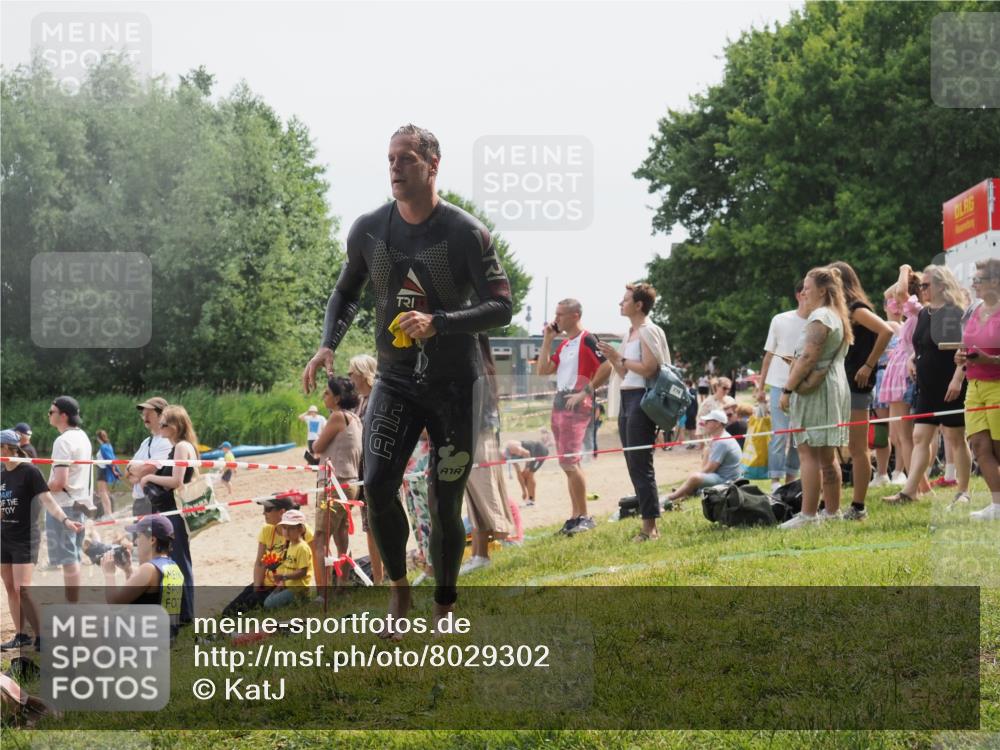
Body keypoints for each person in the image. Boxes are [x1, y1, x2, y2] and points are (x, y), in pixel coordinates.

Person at [301, 124, 512, 633]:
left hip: (457, 385)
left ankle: (444, 605)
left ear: (433, 166)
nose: (395, 168)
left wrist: (440, 322)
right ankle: (399, 594)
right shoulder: (369, 230)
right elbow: (345, 292)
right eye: (391, 159)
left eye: (407, 159)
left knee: (445, 499)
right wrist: (328, 342)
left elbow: (502, 306)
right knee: (375, 485)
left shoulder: (465, 232)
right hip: (395, 381)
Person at [885, 265, 972, 505]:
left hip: (949, 385)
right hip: (927, 385)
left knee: (955, 437)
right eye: (921, 285)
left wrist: (957, 378)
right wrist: (913, 359)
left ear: (942, 287)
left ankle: (963, 491)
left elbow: (964, 348)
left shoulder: (955, 313)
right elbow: (922, 345)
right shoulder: (924, 314)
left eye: (926, 285)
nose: (922, 289)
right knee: (920, 436)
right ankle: (909, 491)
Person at [778, 266, 853, 529]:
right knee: (826, 454)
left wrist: (787, 389)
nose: (803, 293)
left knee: (807, 452)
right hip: (833, 385)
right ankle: (832, 512)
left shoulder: (820, 316)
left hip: (818, 391)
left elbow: (809, 356)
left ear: (822, 290)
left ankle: (808, 515)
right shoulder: (836, 315)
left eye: (807, 288)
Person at [596, 283, 671, 542]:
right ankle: (647, 521)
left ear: (638, 305)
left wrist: (620, 357)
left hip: (643, 400)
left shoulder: (649, 331)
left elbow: (651, 368)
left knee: (641, 463)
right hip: (628, 397)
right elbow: (626, 373)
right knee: (632, 463)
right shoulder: (630, 333)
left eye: (625, 299)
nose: (620, 303)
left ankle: (650, 527)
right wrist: (615, 359)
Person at [1, 430, 84, 651]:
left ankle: (41, 636)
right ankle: (21, 635)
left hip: (26, 537)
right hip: (4, 537)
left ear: (7, 448)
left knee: (23, 589)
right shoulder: (1, 472)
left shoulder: (29, 471)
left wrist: (66, 521)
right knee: (10, 587)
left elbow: (48, 499)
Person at [829, 261, 894, 521]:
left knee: (857, 449)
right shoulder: (844, 311)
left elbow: (886, 330)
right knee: (847, 448)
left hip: (857, 384)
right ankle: (838, 504)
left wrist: (869, 364)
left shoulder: (857, 310)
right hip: (844, 384)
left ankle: (858, 506)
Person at [537, 298, 606, 535]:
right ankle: (576, 515)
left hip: (576, 404)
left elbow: (606, 366)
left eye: (561, 315)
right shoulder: (565, 344)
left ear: (575, 315)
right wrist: (547, 339)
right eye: (556, 315)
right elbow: (542, 370)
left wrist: (584, 392)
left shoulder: (587, 338)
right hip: (560, 402)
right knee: (567, 462)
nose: (556, 319)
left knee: (569, 461)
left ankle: (584, 516)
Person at [137, 405, 199, 624]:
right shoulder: (180, 446)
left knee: (179, 564)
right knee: (174, 564)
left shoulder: (182, 447)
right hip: (170, 513)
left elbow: (177, 481)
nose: (160, 427)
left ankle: (186, 617)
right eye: (160, 422)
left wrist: (149, 479)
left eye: (164, 423)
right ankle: (177, 615)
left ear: (177, 425)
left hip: (175, 514)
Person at [460, 335, 513, 572]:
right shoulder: (478, 366)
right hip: (474, 436)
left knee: (485, 492)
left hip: (479, 436)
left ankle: (505, 539)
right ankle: (479, 555)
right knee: (475, 498)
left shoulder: (477, 369)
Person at [957, 258, 1000, 520]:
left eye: (978, 280)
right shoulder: (975, 310)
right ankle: (997, 505)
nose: (973, 284)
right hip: (974, 385)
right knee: (980, 447)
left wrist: (990, 360)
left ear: (995, 282)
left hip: (997, 385)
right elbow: (966, 345)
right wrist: (962, 359)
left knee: (997, 449)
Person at [755, 283, 809, 492]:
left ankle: (791, 478)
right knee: (780, 433)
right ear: (798, 295)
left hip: (803, 386)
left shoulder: (816, 322)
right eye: (805, 291)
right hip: (778, 384)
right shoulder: (780, 320)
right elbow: (768, 355)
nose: (808, 295)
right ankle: (775, 480)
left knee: (797, 435)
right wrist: (760, 387)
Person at [311, 375, 362, 592]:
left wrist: (315, 444)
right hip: (351, 482)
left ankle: (323, 592)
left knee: (320, 538)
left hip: (334, 482)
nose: (324, 396)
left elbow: (317, 446)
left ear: (338, 397)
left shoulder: (337, 417)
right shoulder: (355, 418)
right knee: (341, 535)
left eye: (327, 393)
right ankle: (342, 584)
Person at [222, 494, 314, 616]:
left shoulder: (301, 530)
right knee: (229, 612)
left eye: (268, 509)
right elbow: (260, 563)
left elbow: (317, 558)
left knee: (261, 607)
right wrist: (256, 588)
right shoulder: (267, 530)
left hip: (287, 584)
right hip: (267, 582)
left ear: (282, 512)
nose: (264, 513)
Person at [102, 514, 184, 639]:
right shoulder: (172, 566)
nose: (135, 541)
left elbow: (115, 604)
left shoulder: (148, 569)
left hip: (143, 642)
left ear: (152, 540)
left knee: (78, 614)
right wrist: (128, 569)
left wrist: (109, 574)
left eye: (139, 536)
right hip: (164, 638)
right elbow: (142, 599)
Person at [45, 395, 92, 603]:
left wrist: (37, 489)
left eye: (51, 412)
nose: (49, 415)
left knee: (68, 558)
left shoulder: (62, 441)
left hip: (63, 505)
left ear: (63, 415)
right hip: (81, 503)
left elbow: (58, 481)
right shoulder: (82, 436)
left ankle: (72, 604)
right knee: (74, 556)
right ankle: (74, 601)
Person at [346, 353, 381, 584]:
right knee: (369, 526)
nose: (349, 377)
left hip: (380, 468)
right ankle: (379, 577)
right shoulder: (358, 401)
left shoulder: (380, 396)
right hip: (361, 471)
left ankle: (389, 574)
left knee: (384, 524)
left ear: (363, 373)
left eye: (352, 372)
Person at [664, 410, 742, 503]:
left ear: (718, 423)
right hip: (726, 476)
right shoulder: (721, 437)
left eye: (708, 421)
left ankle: (670, 498)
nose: (705, 423)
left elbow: (710, 469)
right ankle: (684, 493)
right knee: (705, 453)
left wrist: (696, 477)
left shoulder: (721, 442)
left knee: (694, 477)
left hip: (727, 480)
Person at [125, 397, 172, 516]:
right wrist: (134, 471)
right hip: (140, 503)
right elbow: (126, 471)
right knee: (138, 535)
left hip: (153, 502)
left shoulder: (166, 442)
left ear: (162, 415)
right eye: (143, 414)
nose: (144, 417)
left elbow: (146, 470)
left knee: (152, 535)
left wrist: (136, 472)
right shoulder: (146, 442)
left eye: (149, 414)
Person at [265, 509, 313, 610]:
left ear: (301, 529)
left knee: (269, 604)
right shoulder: (290, 545)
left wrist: (284, 577)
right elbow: (289, 567)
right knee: (267, 602)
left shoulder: (302, 548)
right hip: (290, 585)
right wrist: (282, 583)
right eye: (284, 528)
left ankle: (302, 600)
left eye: (291, 528)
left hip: (299, 588)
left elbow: (302, 572)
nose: (286, 532)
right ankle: (295, 602)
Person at [504, 439, 549, 507]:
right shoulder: (508, 458)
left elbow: (527, 453)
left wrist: (527, 467)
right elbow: (518, 473)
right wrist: (523, 491)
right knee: (524, 475)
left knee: (529, 475)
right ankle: (529, 499)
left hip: (540, 450)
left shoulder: (513, 448)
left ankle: (532, 501)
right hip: (530, 454)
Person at [94, 429, 120, 517]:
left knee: (102, 492)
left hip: (102, 470)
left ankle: (107, 513)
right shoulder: (108, 445)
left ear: (98, 438)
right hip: (103, 470)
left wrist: (114, 470)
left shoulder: (103, 447)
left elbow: (110, 459)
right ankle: (108, 512)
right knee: (104, 491)